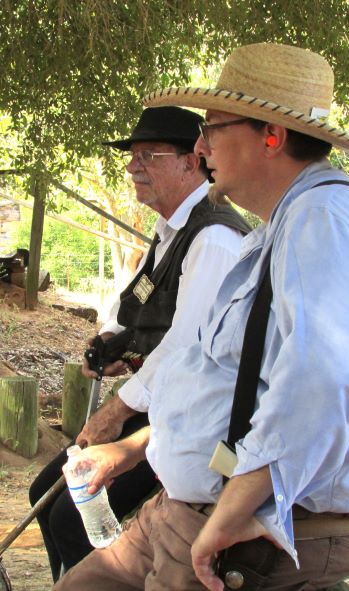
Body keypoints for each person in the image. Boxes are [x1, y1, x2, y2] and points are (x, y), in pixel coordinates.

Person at [53, 43, 349, 591]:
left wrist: (231, 512)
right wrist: (135, 448)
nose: (201, 146)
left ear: (271, 137)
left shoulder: (322, 222)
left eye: (213, 127)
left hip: (243, 532)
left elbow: (318, 383)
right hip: (190, 512)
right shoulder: (288, 223)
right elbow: (235, 387)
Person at [29, 105, 250, 582]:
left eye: (148, 155)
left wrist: (116, 411)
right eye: (132, 156)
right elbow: (142, 302)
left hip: (197, 420)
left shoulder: (214, 238)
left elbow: (187, 347)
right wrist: (112, 341)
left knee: (73, 517)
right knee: (44, 496)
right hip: (162, 403)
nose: (132, 166)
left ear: (192, 161)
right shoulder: (170, 231)